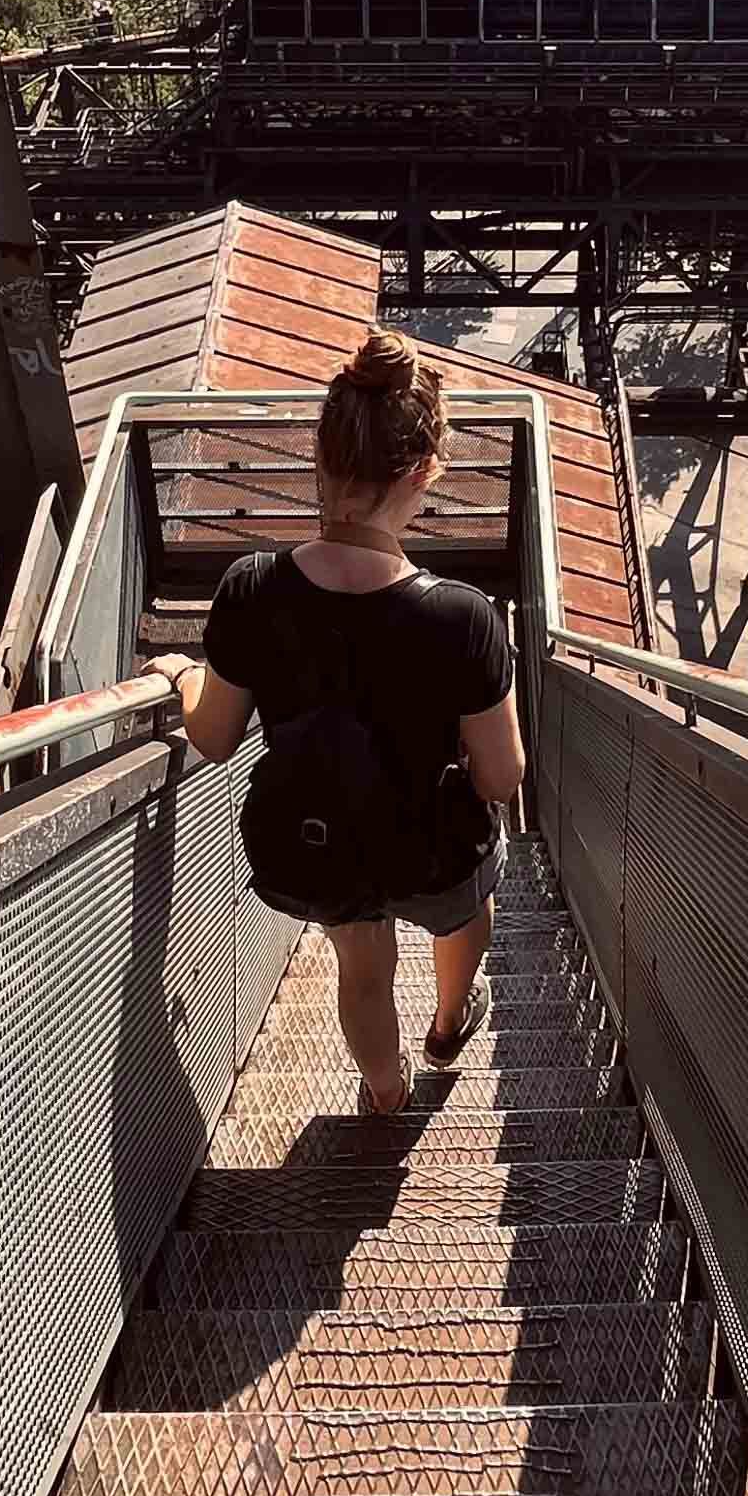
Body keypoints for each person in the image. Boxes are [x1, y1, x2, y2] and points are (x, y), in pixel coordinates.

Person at [178, 332, 526, 1114]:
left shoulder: (252, 587)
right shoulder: (462, 617)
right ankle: (447, 1021)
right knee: (468, 905)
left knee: (360, 968)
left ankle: (386, 1091)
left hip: (317, 840)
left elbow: (214, 735)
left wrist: (179, 678)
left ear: (322, 461)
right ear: (423, 471)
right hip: (429, 846)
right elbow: (503, 777)